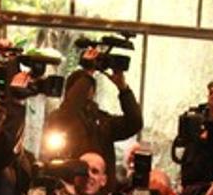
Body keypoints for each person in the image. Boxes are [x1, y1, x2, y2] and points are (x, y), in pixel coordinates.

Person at [43, 59, 142, 187]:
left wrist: (124, 89)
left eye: (89, 88)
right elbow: (71, 106)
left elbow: (134, 123)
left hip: (99, 190)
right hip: (69, 186)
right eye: (82, 87)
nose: (85, 92)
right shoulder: (60, 118)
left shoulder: (103, 121)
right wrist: (88, 74)